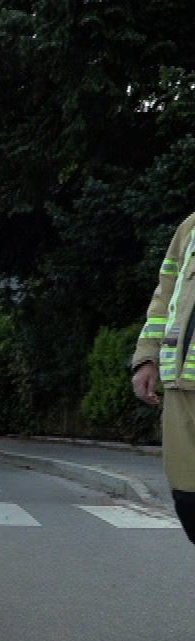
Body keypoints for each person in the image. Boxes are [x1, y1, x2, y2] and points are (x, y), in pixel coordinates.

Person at [131, 208, 195, 544]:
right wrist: (147, 358)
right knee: (187, 498)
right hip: (181, 388)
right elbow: (164, 297)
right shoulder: (190, 226)